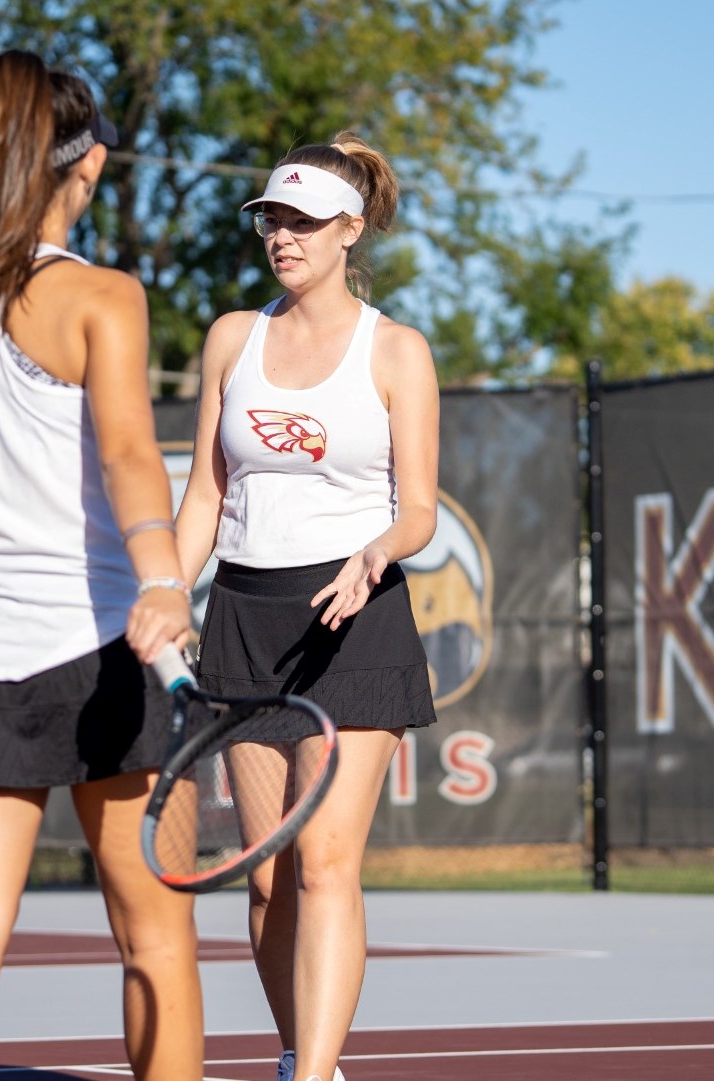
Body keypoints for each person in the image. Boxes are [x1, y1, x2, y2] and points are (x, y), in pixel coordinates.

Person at [0, 50, 202, 1081]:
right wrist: (162, 577)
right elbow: (125, 453)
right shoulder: (105, 296)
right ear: (91, 165)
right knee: (155, 937)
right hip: (101, 647)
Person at [173, 132, 441, 1081]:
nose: (280, 237)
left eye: (301, 221)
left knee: (325, 862)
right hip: (244, 617)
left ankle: (310, 1073)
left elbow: (419, 511)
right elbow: (205, 496)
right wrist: (165, 589)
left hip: (354, 621)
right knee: (267, 879)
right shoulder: (231, 339)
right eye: (269, 220)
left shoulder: (398, 351)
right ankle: (305, 1055)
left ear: (348, 229)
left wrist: (377, 551)